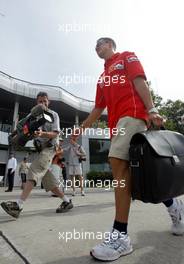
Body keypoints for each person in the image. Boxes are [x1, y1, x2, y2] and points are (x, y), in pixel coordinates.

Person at [75, 37, 184, 261]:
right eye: (94, 46)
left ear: (110, 45)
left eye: (100, 44)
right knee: (138, 177)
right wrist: (80, 129)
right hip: (116, 127)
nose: (96, 48)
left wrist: (152, 109)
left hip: (132, 116)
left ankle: (120, 236)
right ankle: (176, 208)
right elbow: (98, 108)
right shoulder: (102, 77)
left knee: (118, 165)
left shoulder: (125, 57)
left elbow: (139, 81)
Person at [1, 91, 73, 218]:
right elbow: (23, 126)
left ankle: (18, 205)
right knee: (48, 181)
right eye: (40, 101)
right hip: (40, 149)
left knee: (34, 170)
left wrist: (42, 134)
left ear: (48, 102)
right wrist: (16, 134)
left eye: (45, 101)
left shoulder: (53, 115)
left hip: (51, 147)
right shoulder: (32, 114)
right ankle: (67, 201)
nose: (43, 103)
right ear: (37, 102)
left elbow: (56, 133)